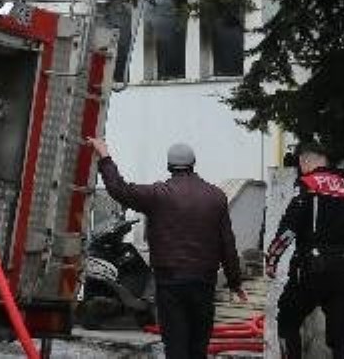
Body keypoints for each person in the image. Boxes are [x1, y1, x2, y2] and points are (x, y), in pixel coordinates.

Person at [88, 137, 246, 359]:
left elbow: (119, 189)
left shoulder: (158, 195)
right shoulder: (216, 197)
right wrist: (235, 281)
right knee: (198, 346)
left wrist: (104, 156)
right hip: (204, 282)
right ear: (193, 164)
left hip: (170, 282)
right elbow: (227, 243)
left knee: (176, 345)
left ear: (169, 166)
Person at [267, 142, 344, 359]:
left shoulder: (307, 185)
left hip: (312, 267)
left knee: (288, 319)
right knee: (341, 336)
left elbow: (288, 229)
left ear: (304, 161)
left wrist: (272, 258)